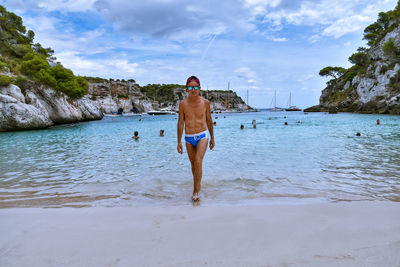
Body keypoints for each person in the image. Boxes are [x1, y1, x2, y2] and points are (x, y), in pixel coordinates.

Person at [177, 75, 215, 202]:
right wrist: (179, 142)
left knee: (198, 161)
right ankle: (198, 185)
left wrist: (212, 138)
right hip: (188, 137)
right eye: (190, 87)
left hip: (202, 135)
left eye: (195, 87)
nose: (193, 89)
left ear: (200, 88)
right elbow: (180, 123)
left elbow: (209, 120)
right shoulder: (183, 104)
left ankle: (195, 191)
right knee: (193, 166)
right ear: (186, 89)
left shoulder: (205, 103)